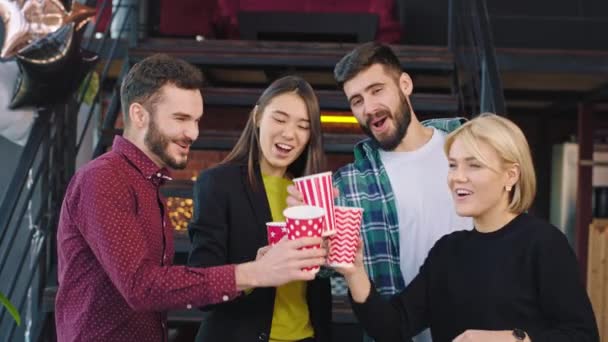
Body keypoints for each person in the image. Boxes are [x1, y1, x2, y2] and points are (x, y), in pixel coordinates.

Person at [55, 55, 326, 342]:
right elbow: (141, 287)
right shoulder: (104, 178)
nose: (193, 133)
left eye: (196, 120)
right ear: (139, 115)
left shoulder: (147, 183)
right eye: (181, 119)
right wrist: (255, 272)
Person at [336, 113, 599, 342]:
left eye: (474, 165)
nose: (457, 177)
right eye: (452, 165)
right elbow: (392, 328)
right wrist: (354, 272)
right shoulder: (447, 251)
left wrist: (513, 339)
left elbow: (583, 335)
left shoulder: (543, 243)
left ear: (511, 175)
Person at [288, 42, 472, 342]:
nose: (369, 108)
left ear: (405, 84)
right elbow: (324, 269)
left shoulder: (468, 147)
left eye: (377, 90)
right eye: (357, 100)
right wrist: (307, 226)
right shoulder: (349, 184)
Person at [187, 75, 331, 342]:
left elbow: (323, 281)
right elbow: (200, 288)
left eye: (303, 126)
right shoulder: (218, 184)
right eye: (279, 118)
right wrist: (257, 271)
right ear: (257, 117)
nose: (289, 133)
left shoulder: (310, 195)